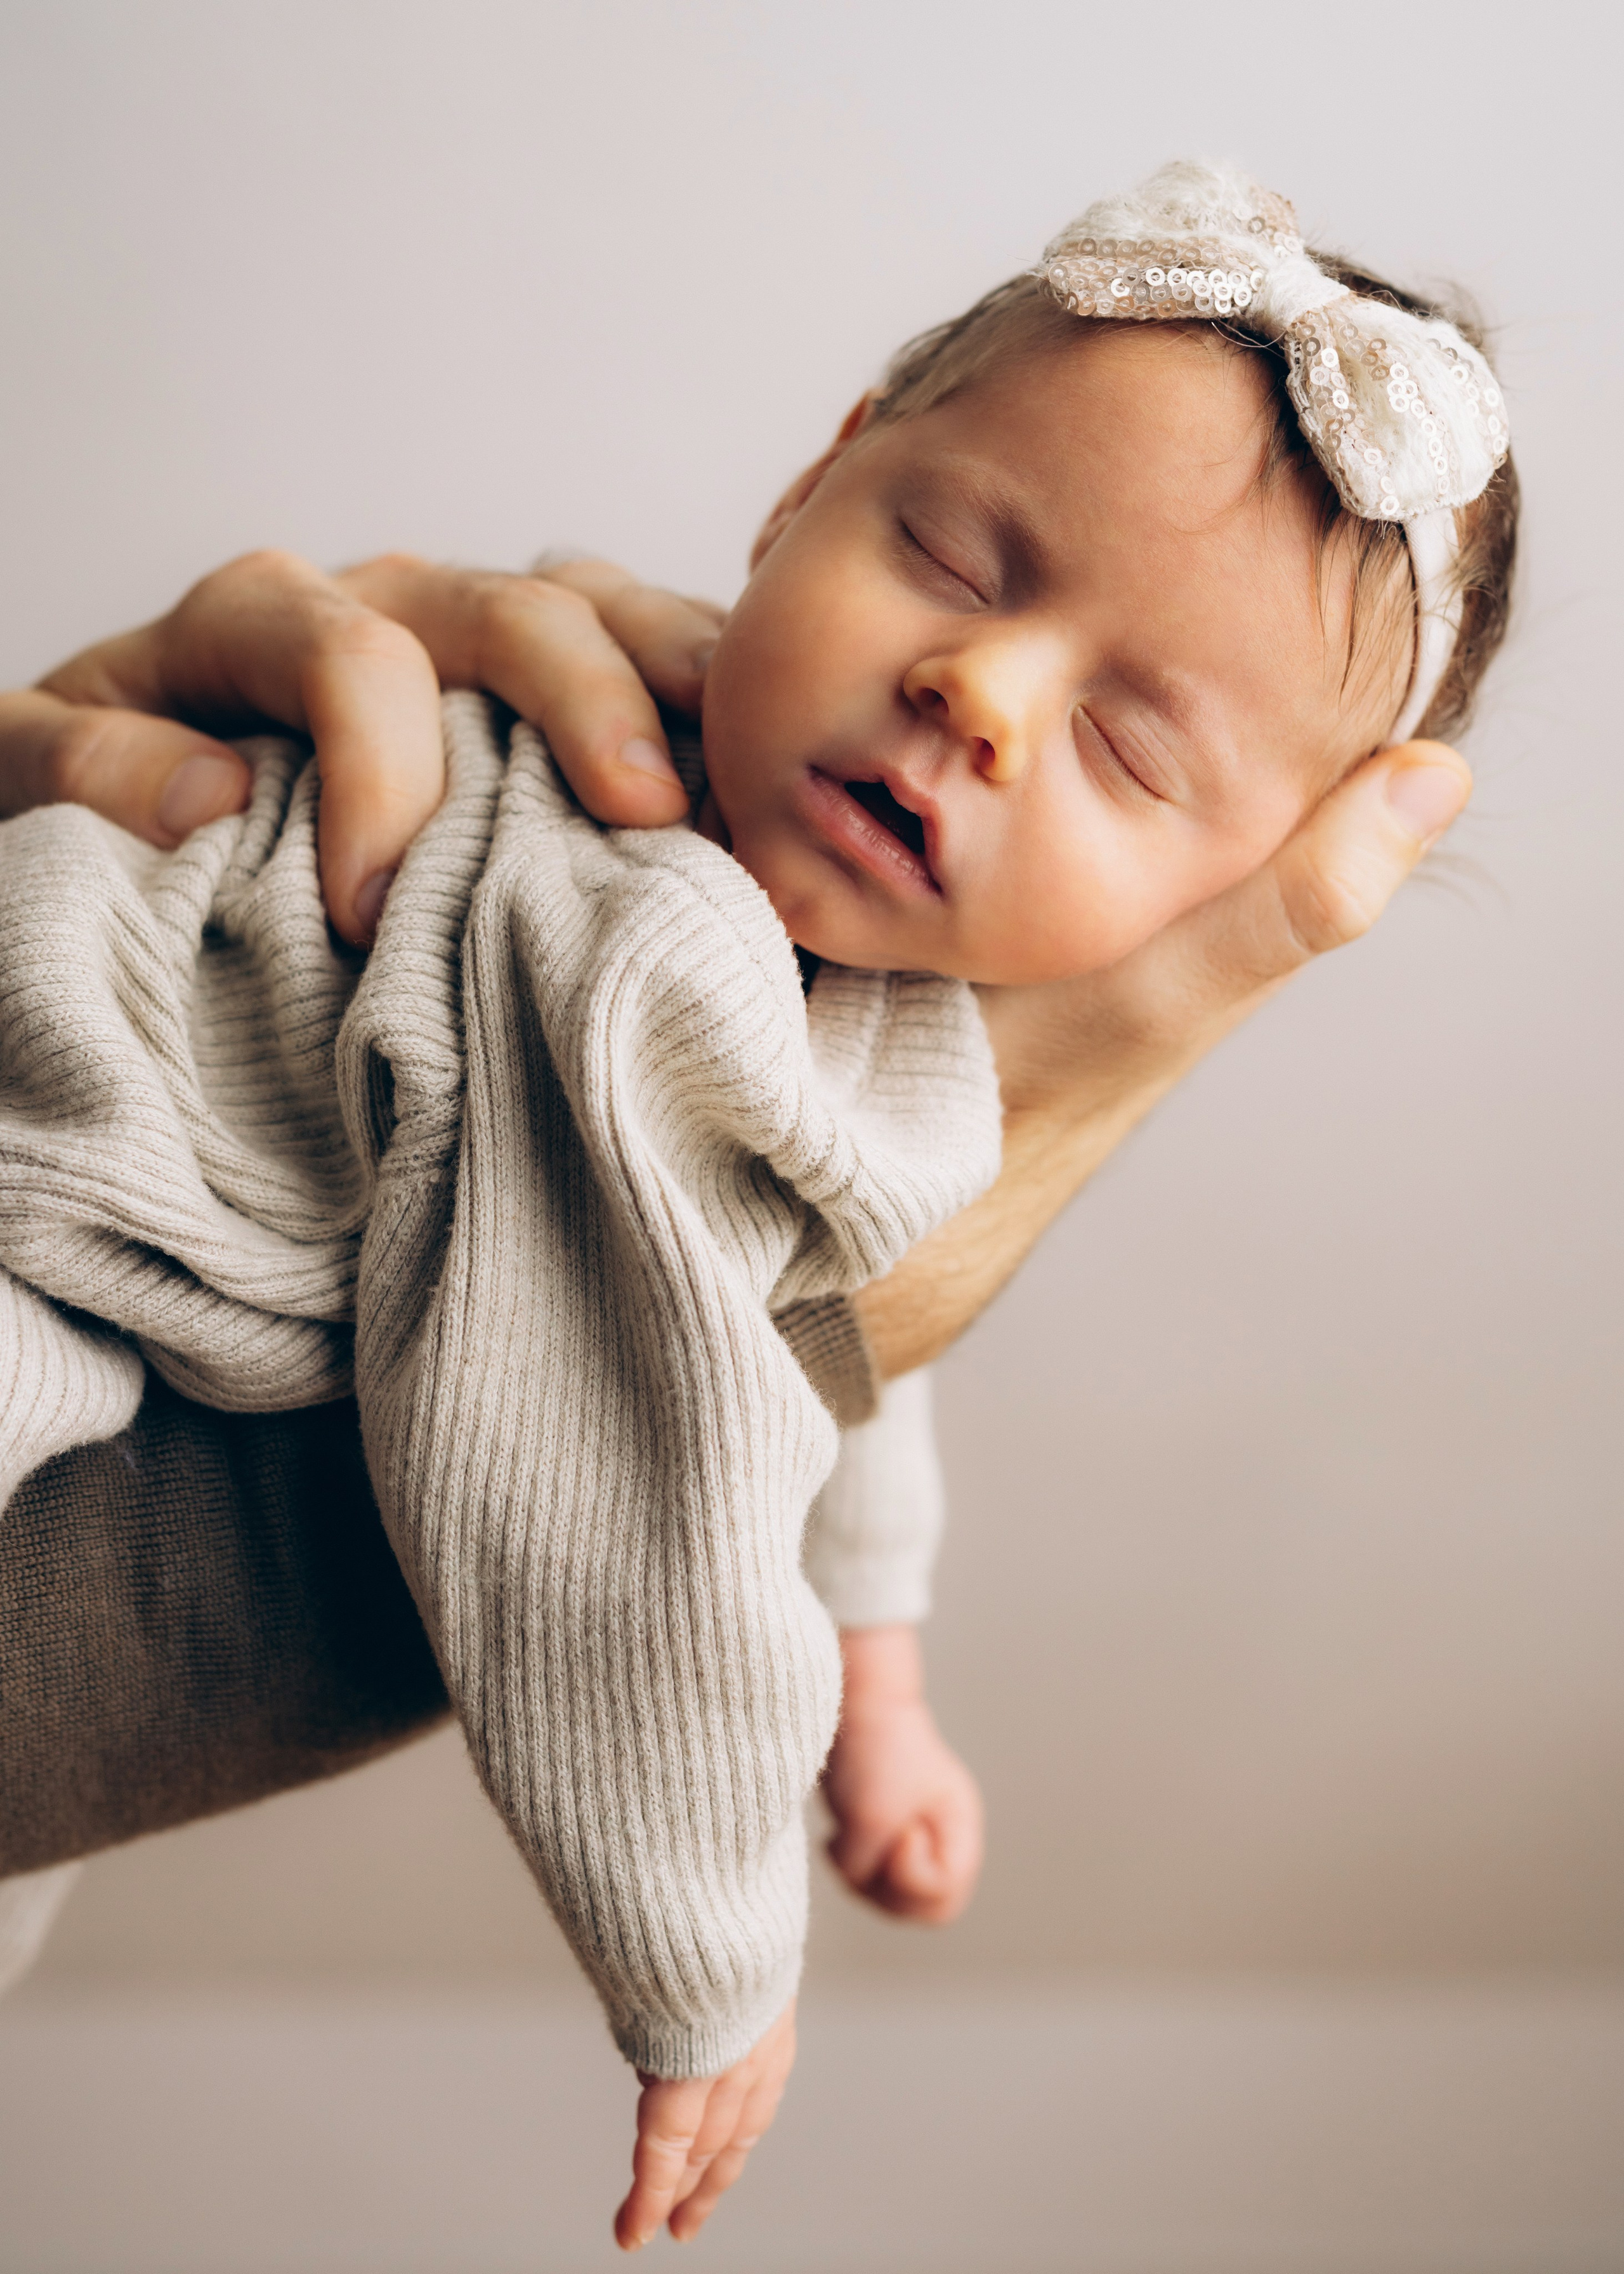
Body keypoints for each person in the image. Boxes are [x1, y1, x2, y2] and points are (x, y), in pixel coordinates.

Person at [0, 162, 1497, 2255]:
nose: (985, 692)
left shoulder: (867, 1032)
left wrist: (876, 1686)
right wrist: (711, 1946)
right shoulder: (655, 927)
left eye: (1131, 748)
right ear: (813, 484)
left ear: (1222, 894)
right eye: (953, 556)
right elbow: (602, 1433)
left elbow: (799, 1354)